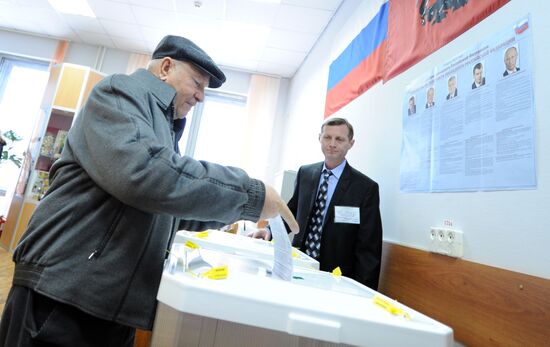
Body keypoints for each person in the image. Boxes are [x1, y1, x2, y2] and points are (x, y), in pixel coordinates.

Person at [0, 35, 298, 347]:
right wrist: (251, 195)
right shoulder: (119, 93)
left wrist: (231, 217)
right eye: (197, 83)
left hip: (107, 302)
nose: (200, 97)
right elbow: (145, 174)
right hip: (62, 294)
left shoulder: (163, 127)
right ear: (165, 68)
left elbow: (166, 208)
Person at [252, 118, 382, 290]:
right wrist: (269, 230)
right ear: (319, 138)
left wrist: (364, 291)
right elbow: (292, 211)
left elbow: (369, 246)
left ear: (351, 143)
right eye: (327, 137)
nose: (332, 144)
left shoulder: (365, 188)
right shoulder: (306, 173)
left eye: (339, 139)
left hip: (337, 277)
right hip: (299, 265)